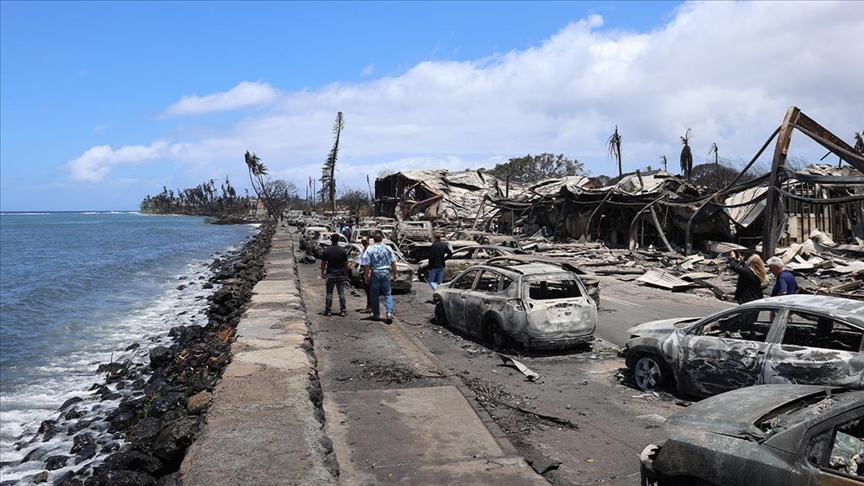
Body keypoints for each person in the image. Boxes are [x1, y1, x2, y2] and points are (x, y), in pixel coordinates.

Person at [364, 231, 397, 324]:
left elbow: (367, 264)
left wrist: (366, 275)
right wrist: (395, 273)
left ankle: (376, 314)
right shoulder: (388, 248)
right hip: (386, 272)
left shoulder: (370, 249)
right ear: (382, 239)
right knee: (388, 293)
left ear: (373, 240)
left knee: (375, 294)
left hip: (375, 272)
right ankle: (389, 313)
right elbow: (393, 262)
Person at [320, 233, 349, 317]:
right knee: (341, 293)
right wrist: (346, 274)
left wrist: (322, 272)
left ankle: (328, 310)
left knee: (329, 293)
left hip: (330, 274)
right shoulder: (342, 250)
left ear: (331, 240)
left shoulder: (327, 251)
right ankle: (343, 310)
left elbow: (323, 263)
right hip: (340, 274)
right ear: (338, 240)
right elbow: (346, 263)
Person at [359, 236, 373, 313]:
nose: (363, 242)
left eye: (365, 241)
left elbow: (369, 263)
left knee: (369, 289)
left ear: (368, 241)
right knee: (367, 290)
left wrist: (368, 273)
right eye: (362, 241)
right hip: (363, 270)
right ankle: (369, 306)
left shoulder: (369, 250)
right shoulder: (363, 250)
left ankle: (370, 306)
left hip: (367, 270)